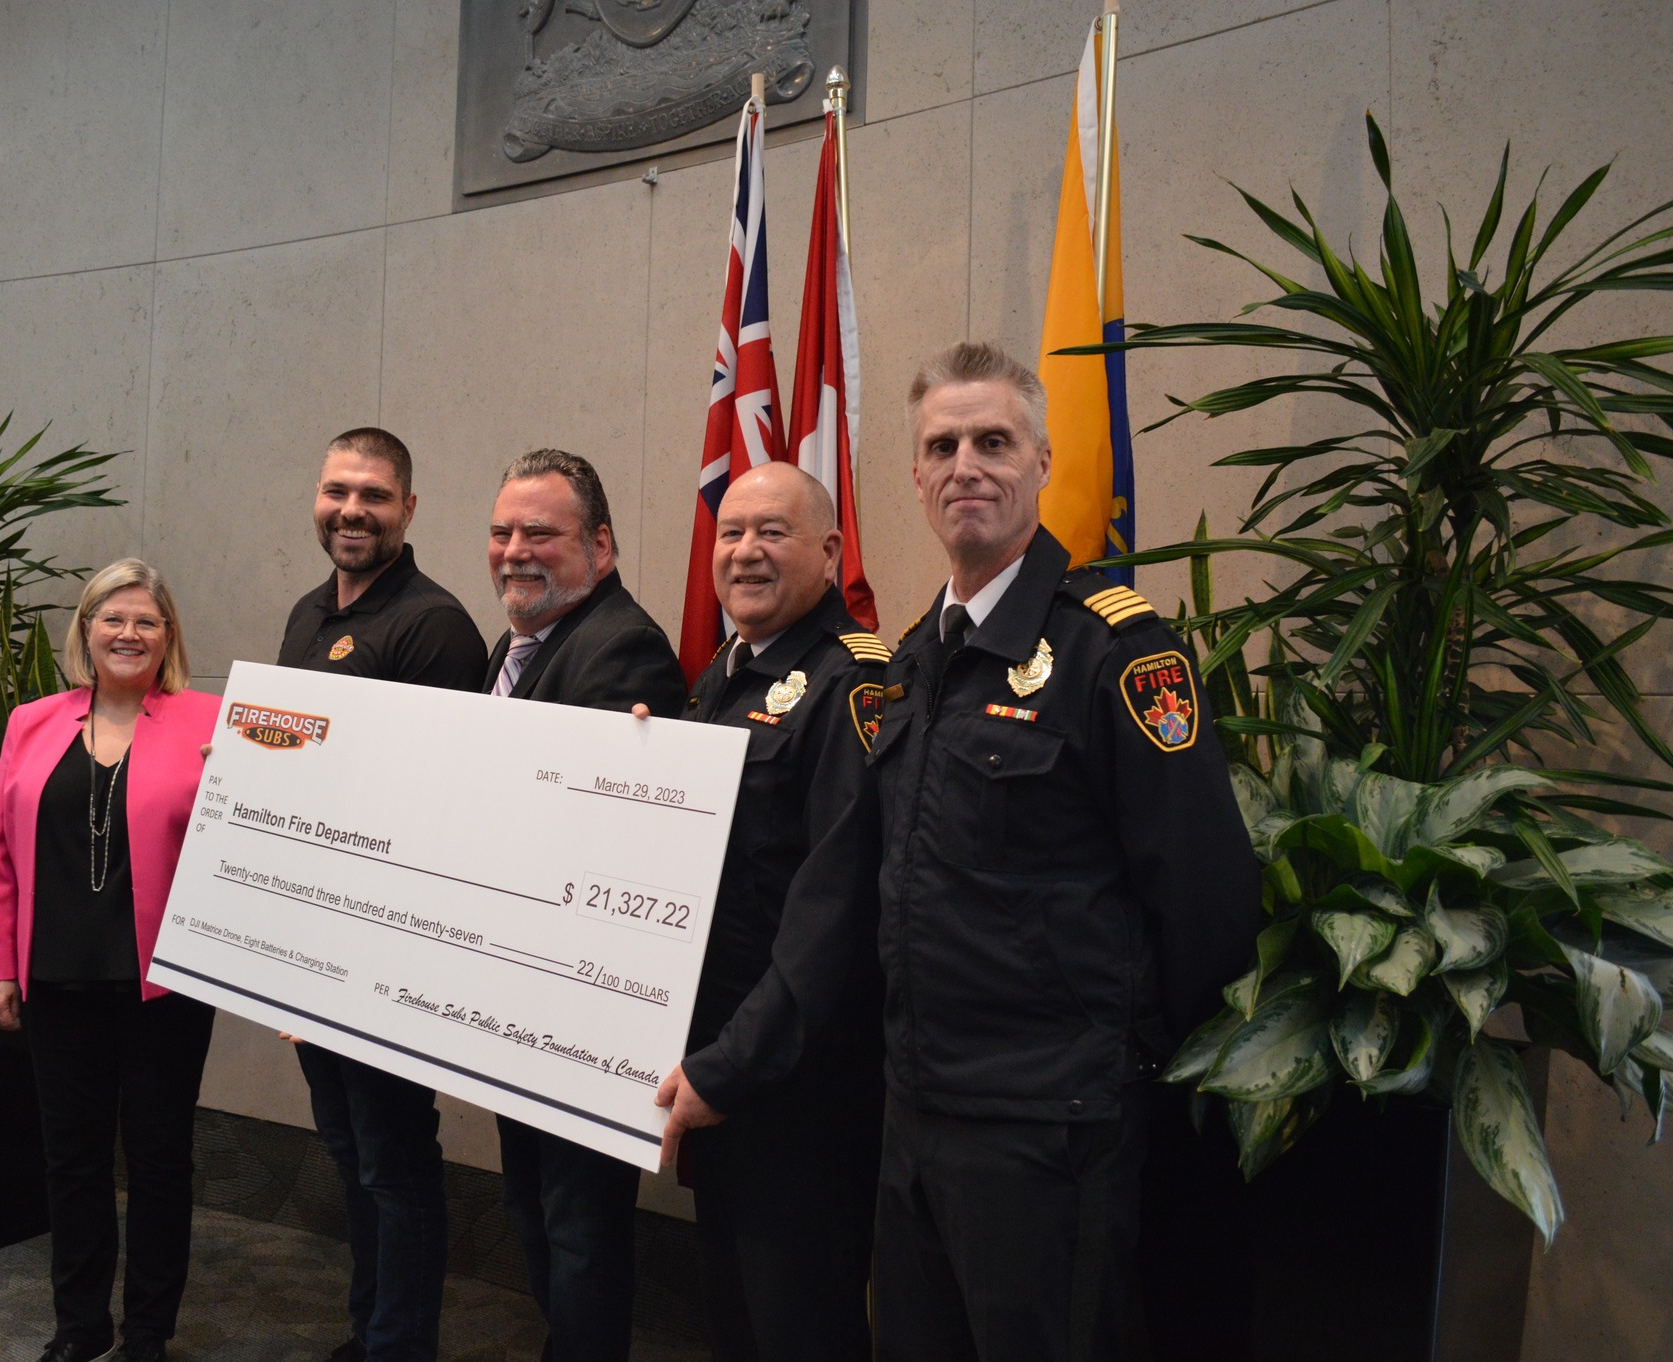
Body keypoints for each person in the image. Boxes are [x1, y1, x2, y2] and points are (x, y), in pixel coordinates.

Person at [867, 342, 1261, 1362]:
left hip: (1048, 1129)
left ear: (1041, 461)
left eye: (992, 441)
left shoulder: (1114, 651)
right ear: (914, 474)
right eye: (941, 446)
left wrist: (1118, 1063)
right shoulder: (914, 661)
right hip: (916, 1110)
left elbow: (1206, 897)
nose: (965, 466)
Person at [650, 462, 888, 1362]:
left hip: (798, 1097)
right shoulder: (723, 675)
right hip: (721, 1075)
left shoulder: (852, 685)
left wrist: (731, 1068)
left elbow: (834, 920)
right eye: (732, 532)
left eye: (773, 532)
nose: (746, 551)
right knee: (735, 1322)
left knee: (801, 1327)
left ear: (830, 553)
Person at [273, 427, 489, 1362]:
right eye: (337, 491)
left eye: (373, 494)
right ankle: (369, 1335)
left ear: (409, 507)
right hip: (315, 943)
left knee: (395, 1164)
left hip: (389, 949)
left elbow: (435, 804)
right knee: (351, 1156)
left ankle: (401, 1346)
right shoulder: (305, 616)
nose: (351, 510)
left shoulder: (433, 625)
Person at [0, 559, 221, 1362]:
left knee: (159, 1162)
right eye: (113, 618)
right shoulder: (31, 722)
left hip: (166, 984)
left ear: (168, 637)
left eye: (146, 621)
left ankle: (148, 1333)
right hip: (56, 978)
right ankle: (79, 1328)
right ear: (86, 630)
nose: (128, 633)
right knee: (72, 1161)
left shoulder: (210, 723)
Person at [484, 448, 687, 1362]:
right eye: (502, 532)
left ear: (600, 547)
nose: (515, 550)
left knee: (578, 1230)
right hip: (520, 989)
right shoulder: (515, 646)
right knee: (534, 1206)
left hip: (580, 1005)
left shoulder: (621, 647)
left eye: (541, 533)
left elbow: (595, 836)